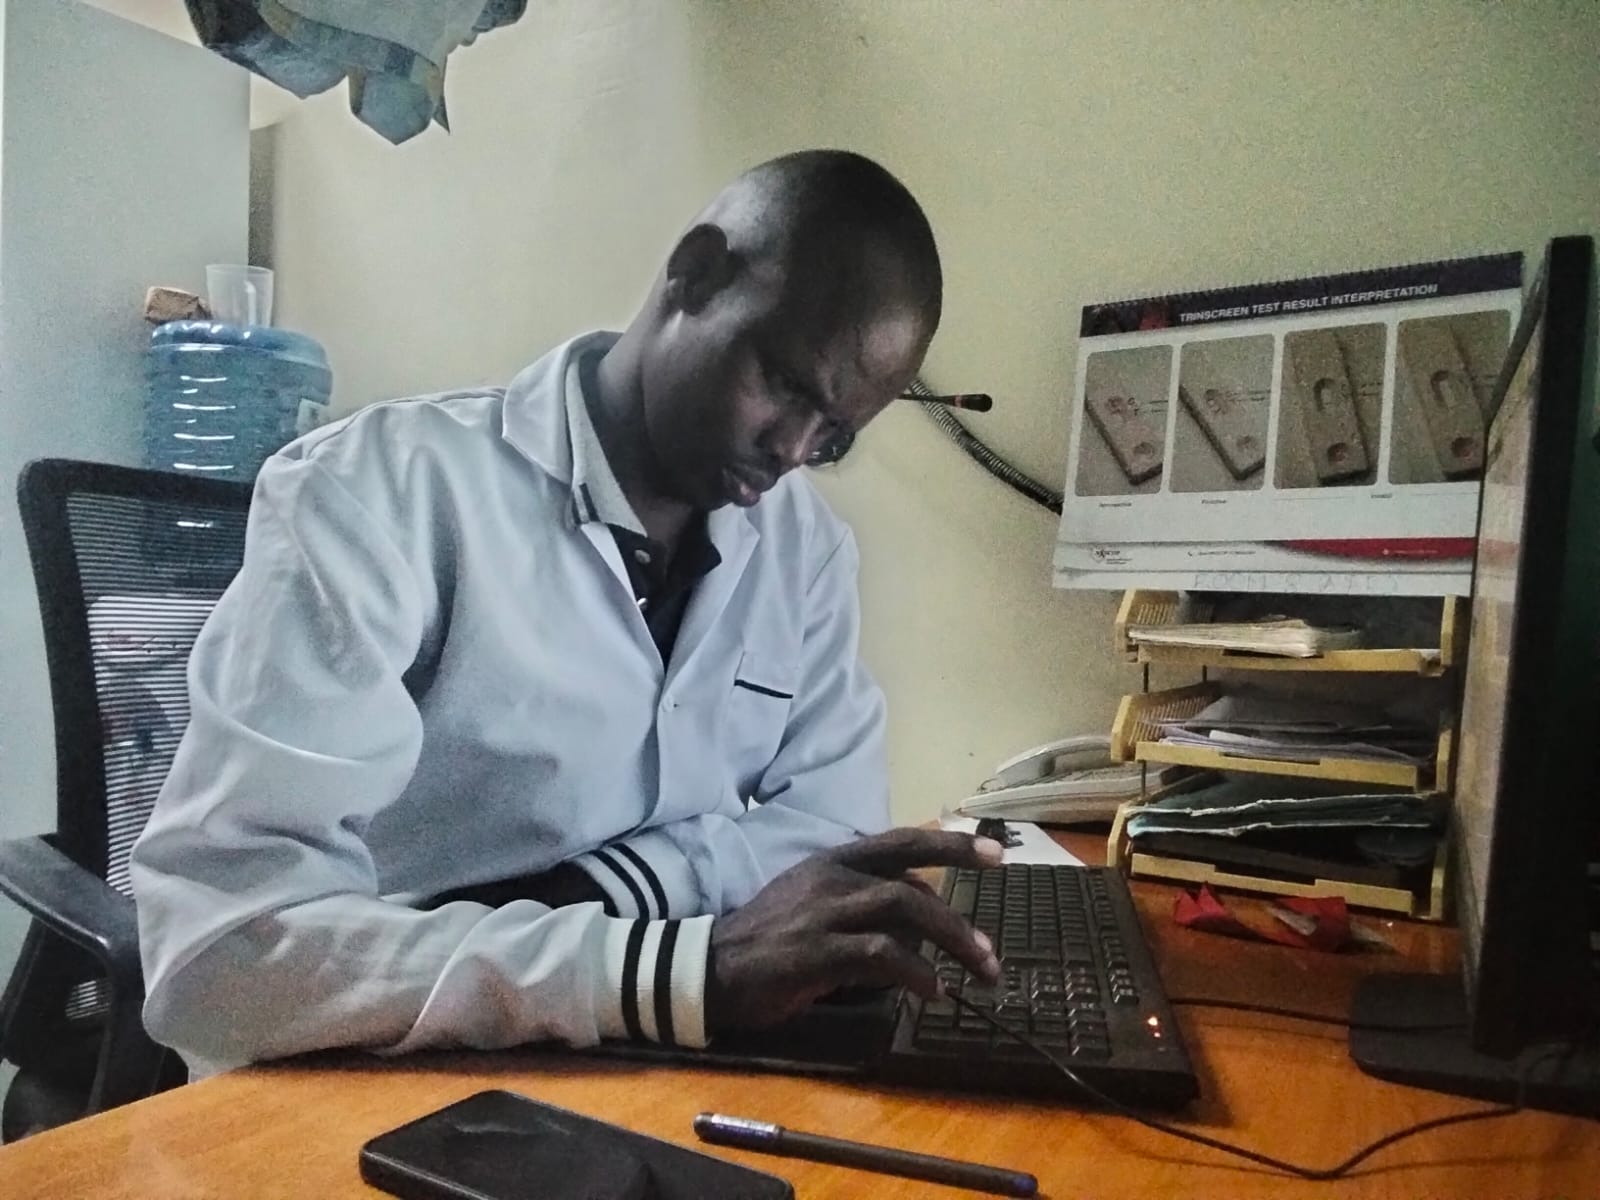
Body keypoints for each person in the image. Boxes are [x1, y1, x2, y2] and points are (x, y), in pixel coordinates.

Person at [130, 149, 1002, 1076]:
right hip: (365, 1068)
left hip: (635, 1050)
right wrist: (672, 968)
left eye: (834, 437)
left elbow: (834, 833)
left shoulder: (804, 550)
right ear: (695, 274)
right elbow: (220, 954)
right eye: (786, 384)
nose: (791, 449)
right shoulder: (382, 494)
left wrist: (617, 888)